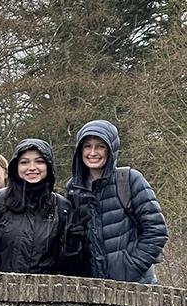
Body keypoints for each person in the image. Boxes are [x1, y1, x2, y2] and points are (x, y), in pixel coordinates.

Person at [65, 120, 167, 284]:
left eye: (100, 146)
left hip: (136, 287)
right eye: (87, 146)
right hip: (92, 289)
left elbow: (156, 231)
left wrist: (130, 268)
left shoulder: (129, 179)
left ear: (111, 148)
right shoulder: (74, 189)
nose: (93, 152)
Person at [0, 139, 83, 274]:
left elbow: (69, 269)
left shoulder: (61, 207)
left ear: (48, 166)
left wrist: (71, 248)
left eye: (39, 161)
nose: (32, 167)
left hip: (41, 291)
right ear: (16, 167)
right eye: (24, 162)